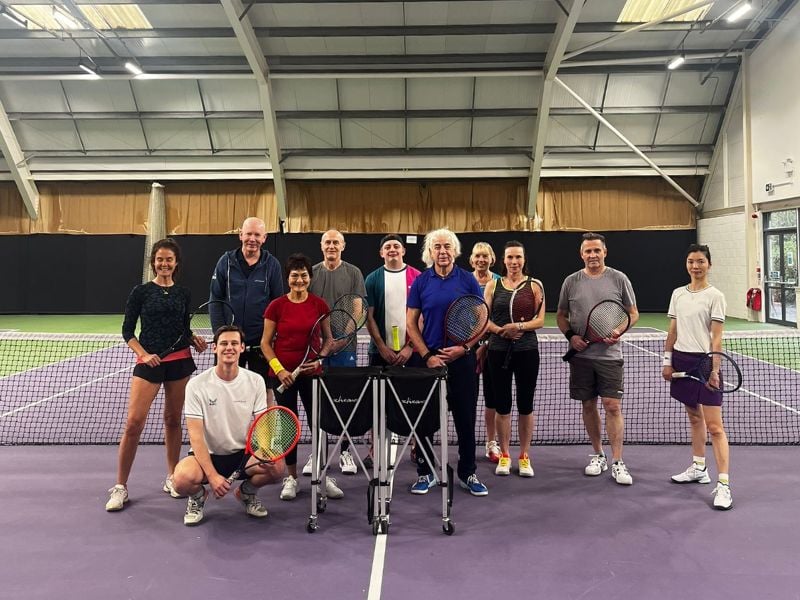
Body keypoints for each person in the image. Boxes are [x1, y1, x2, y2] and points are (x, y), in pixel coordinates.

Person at [106, 238, 207, 511]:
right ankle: (120, 487)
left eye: (169, 260)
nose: (164, 264)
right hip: (148, 364)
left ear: (176, 264)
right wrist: (143, 354)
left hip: (179, 363)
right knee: (133, 423)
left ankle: (173, 477)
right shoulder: (141, 292)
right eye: (160, 259)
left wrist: (194, 339)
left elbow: (182, 329)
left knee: (173, 420)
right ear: (153, 262)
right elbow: (127, 331)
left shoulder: (183, 294)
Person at [405, 228, 489, 497]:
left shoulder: (467, 280)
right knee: (425, 420)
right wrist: (427, 356)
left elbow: (481, 319)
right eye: (437, 247)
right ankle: (425, 472)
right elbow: (410, 323)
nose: (442, 251)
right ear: (430, 252)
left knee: (465, 418)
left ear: (455, 251)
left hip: (461, 361)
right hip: (428, 362)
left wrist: (464, 348)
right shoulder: (421, 282)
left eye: (447, 247)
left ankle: (467, 472)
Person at [172, 325, 283, 525]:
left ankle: (247, 493)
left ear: (242, 348)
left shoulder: (255, 381)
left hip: (244, 453)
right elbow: (196, 437)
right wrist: (213, 476)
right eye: (223, 343)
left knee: (277, 468)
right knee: (179, 480)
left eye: (234, 343)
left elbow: (262, 421)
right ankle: (198, 496)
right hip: (208, 454)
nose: (229, 348)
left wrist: (266, 448)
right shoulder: (197, 385)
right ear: (214, 348)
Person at [260, 253, 345, 502]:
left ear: (310, 278)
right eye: (294, 275)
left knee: (319, 425)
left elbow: (328, 340)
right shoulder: (276, 306)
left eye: (303, 275)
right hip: (282, 375)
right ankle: (292, 477)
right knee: (288, 427)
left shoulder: (319, 305)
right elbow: (266, 343)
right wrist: (279, 370)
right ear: (288, 279)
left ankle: (322, 475)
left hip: (312, 374)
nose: (299, 279)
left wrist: (319, 359)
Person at [557, 232, 639, 485]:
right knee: (588, 405)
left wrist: (620, 329)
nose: (592, 255)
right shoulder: (571, 282)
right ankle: (598, 454)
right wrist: (571, 336)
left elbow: (632, 313)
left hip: (610, 356)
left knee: (612, 405)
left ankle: (617, 461)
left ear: (604, 252)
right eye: (588, 251)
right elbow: (561, 315)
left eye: (597, 251)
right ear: (582, 254)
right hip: (581, 356)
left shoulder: (619, 278)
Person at [662, 244, 732, 510]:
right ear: (686, 264)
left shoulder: (716, 296)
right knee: (693, 417)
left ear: (709, 265)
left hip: (704, 364)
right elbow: (672, 331)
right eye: (691, 261)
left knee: (715, 427)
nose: (696, 266)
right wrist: (667, 361)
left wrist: (714, 370)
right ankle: (699, 467)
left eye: (701, 261)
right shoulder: (678, 294)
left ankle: (724, 484)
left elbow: (716, 337)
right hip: (681, 359)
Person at [307, 229, 367, 475]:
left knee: (343, 399)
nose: (331, 246)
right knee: (318, 400)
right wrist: (322, 344)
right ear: (322, 246)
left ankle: (344, 450)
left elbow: (357, 310)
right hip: (316, 349)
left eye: (336, 242)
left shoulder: (353, 273)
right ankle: (317, 451)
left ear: (343, 246)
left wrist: (340, 340)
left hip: (345, 348)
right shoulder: (312, 273)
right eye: (327, 242)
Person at [484, 241, 545, 478]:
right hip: (498, 350)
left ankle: (524, 456)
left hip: (527, 351)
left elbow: (540, 321)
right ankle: (505, 455)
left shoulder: (535, 285)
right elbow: (484, 320)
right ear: (504, 260)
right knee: (502, 405)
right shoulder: (492, 285)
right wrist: (501, 331)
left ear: (524, 259)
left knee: (526, 405)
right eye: (510, 257)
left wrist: (517, 326)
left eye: (518, 257)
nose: (514, 262)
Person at [209, 216, 284, 404]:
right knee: (224, 389)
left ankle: (266, 435)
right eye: (248, 234)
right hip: (230, 343)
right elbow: (215, 300)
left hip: (261, 343)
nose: (252, 239)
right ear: (240, 235)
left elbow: (277, 304)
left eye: (257, 235)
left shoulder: (272, 264)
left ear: (264, 238)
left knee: (265, 390)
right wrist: (220, 335)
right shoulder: (225, 262)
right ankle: (227, 433)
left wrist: (271, 337)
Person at [365, 234, 422, 368]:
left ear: (403, 251)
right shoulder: (372, 279)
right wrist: (381, 347)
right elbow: (368, 317)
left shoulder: (418, 277)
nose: (392, 249)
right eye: (387, 247)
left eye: (396, 246)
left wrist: (410, 347)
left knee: (413, 389)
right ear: (381, 253)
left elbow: (422, 316)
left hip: (413, 352)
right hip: (380, 353)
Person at [469, 241, 502, 463]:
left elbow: (500, 316)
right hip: (465, 348)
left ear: (492, 259)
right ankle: (466, 441)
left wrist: (486, 344)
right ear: (471, 259)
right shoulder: (463, 280)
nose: (481, 260)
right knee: (465, 398)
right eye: (477, 256)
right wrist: (472, 344)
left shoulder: (500, 282)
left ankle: (492, 442)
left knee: (493, 399)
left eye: (485, 256)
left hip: (492, 347)